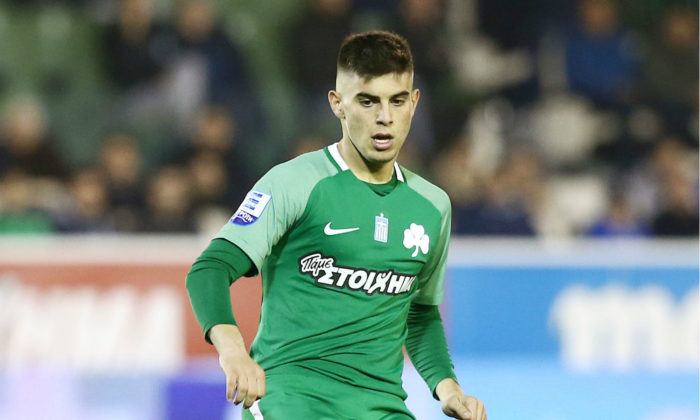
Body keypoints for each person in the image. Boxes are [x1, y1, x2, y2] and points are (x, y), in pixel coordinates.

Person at [186, 31, 487, 420]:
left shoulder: (432, 206)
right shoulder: (295, 182)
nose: (385, 117)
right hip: (291, 400)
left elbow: (419, 313)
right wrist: (233, 351)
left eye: (397, 101)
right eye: (368, 101)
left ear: (414, 103)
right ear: (337, 104)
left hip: (381, 408)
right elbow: (209, 269)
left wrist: (448, 389)